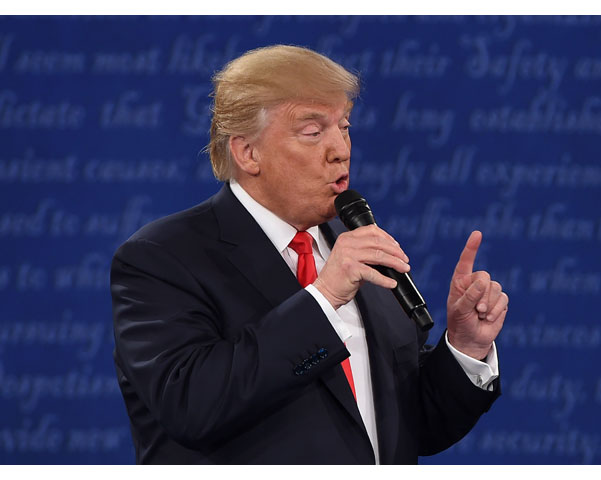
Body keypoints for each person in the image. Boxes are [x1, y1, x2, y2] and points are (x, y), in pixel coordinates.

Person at [110, 45, 509, 465]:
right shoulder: (160, 259)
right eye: (313, 131)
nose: (341, 149)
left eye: (345, 126)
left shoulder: (352, 246)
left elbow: (403, 426)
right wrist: (324, 298)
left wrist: (464, 348)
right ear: (248, 152)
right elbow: (192, 406)